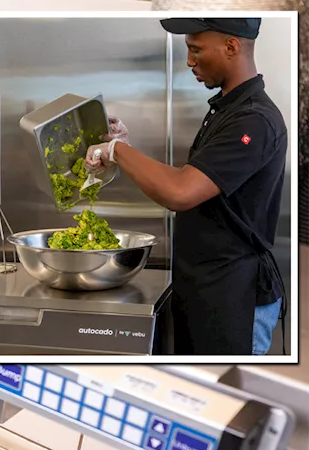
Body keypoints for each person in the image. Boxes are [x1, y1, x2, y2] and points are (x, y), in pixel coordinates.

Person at [85, 17, 287, 355]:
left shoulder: (254, 120)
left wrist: (117, 151)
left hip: (234, 296)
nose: (190, 61)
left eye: (195, 49)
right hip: (208, 289)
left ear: (231, 46)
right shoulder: (228, 108)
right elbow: (192, 177)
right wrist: (125, 149)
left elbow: (181, 191)